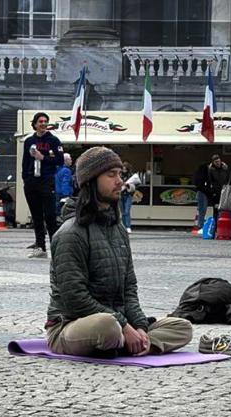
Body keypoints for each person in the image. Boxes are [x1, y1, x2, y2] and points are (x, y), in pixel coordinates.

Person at [45, 147, 193, 357]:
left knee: (182, 326)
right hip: (73, 324)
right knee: (107, 326)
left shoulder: (118, 230)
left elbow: (129, 288)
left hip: (120, 322)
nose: (120, 181)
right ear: (91, 181)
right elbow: (75, 299)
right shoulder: (70, 233)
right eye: (111, 175)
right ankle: (124, 341)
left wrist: (140, 327)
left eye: (120, 174)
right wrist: (123, 326)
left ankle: (136, 344)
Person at [22, 112, 64, 259]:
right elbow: (25, 161)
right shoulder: (28, 141)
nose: (43, 124)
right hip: (31, 181)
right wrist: (25, 179)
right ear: (34, 124)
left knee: (50, 215)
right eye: (40, 121)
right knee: (36, 215)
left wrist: (43, 158)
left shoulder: (53, 140)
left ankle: (56, 247)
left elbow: (60, 161)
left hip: (47, 180)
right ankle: (40, 247)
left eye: (45, 121)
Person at [192, 161, 210, 230]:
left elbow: (196, 184)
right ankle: (200, 224)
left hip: (199, 192)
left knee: (200, 209)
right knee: (203, 209)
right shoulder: (205, 175)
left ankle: (199, 224)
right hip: (203, 193)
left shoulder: (197, 174)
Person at [54, 153, 73, 217]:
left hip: (57, 193)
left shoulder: (57, 169)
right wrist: (66, 195)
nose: (71, 161)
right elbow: (65, 182)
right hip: (64, 194)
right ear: (65, 160)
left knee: (57, 210)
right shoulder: (67, 171)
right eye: (70, 159)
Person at [119, 161, 134, 233]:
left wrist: (127, 185)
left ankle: (128, 226)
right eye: (123, 169)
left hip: (128, 195)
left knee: (127, 211)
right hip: (121, 195)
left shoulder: (131, 176)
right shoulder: (119, 175)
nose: (124, 170)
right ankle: (124, 226)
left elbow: (134, 185)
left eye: (125, 169)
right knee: (122, 212)